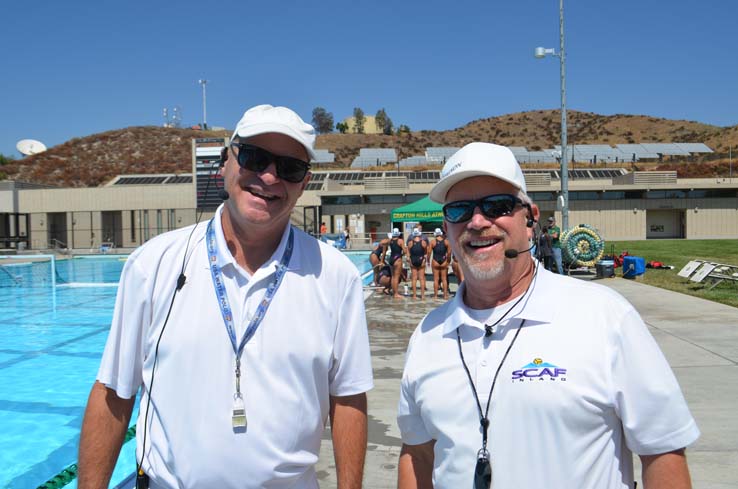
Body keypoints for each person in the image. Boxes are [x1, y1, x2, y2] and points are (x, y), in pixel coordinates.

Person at [78, 104, 374, 489]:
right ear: (226, 162)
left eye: (290, 168)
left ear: (304, 183)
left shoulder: (336, 277)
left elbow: (348, 399)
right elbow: (114, 392)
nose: (269, 177)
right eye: (255, 158)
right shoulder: (153, 265)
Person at [397, 142, 699, 489]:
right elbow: (417, 455)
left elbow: (662, 452)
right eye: (459, 210)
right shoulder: (428, 335)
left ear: (530, 219)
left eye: (497, 206)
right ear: (447, 227)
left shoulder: (604, 317)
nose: (477, 222)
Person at [406, 228, 428, 299]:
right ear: (419, 234)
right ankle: (422, 295)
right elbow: (425, 253)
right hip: (421, 260)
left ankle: (414, 295)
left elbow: (408, 254)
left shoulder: (410, 243)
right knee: (421, 278)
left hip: (413, 260)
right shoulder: (423, 242)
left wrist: (410, 261)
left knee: (414, 279)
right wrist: (424, 260)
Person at [429, 228, 450, 300]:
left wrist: (428, 260)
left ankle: (435, 296)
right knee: (444, 279)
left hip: (435, 261)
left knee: (436, 279)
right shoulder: (446, 242)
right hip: (444, 261)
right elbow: (449, 253)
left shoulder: (432, 242)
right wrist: (448, 261)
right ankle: (445, 295)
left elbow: (429, 253)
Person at [388, 228, 405, 299]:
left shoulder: (390, 241)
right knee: (396, 277)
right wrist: (402, 255)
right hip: (397, 259)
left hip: (391, 258)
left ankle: (393, 292)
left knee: (393, 277)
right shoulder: (400, 241)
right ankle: (396, 294)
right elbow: (404, 251)